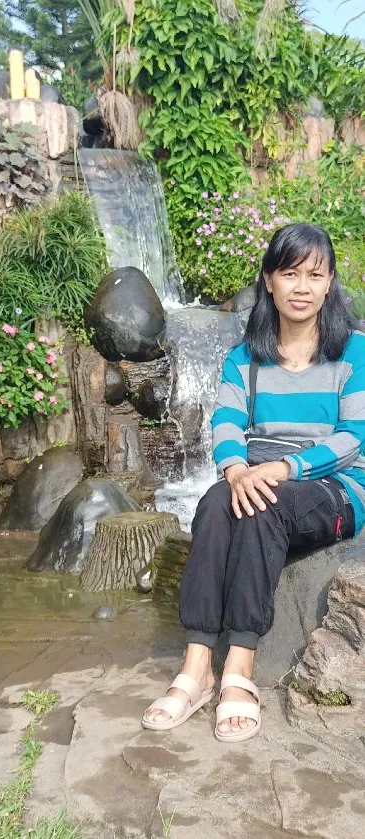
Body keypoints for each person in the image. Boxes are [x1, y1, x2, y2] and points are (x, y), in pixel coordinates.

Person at [142, 222, 365, 742]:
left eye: (315, 274)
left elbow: (356, 436)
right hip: (256, 472)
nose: (303, 287)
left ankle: (239, 665)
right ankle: (197, 665)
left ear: (330, 283)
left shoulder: (354, 351)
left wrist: (286, 468)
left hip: (336, 484)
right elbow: (225, 424)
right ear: (269, 281)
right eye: (290, 274)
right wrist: (236, 470)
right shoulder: (245, 357)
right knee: (218, 502)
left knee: (264, 504)